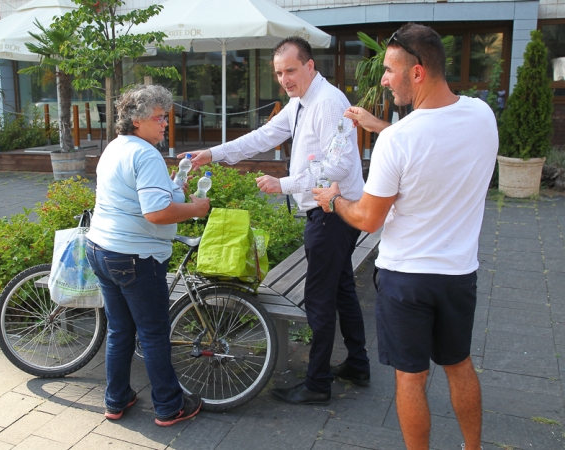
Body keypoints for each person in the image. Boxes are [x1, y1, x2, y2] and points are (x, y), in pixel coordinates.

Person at [314, 23, 497, 449]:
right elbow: (434, 139)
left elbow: (367, 219)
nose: (383, 78)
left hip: (406, 279)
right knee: (459, 364)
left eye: (390, 69)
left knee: (411, 377)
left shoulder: (398, 141)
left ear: (416, 73)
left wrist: (334, 199)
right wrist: (381, 126)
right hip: (458, 275)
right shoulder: (480, 115)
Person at [182, 36, 370, 405]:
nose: (284, 78)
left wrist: (283, 183)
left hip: (332, 212)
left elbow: (341, 165)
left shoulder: (328, 102)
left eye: (291, 70)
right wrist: (211, 153)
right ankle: (358, 365)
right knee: (342, 291)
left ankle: (317, 384)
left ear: (310, 66)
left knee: (318, 300)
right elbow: (264, 135)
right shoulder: (301, 100)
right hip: (329, 211)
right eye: (279, 72)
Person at [85, 85, 210, 427]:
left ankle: (116, 399)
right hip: (135, 257)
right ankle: (169, 406)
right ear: (137, 120)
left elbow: (140, 197)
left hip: (100, 248)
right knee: (154, 333)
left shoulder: (115, 147)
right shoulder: (146, 154)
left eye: (166, 117)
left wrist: (172, 189)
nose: (165, 123)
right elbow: (156, 214)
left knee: (120, 330)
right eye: (159, 117)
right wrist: (196, 208)